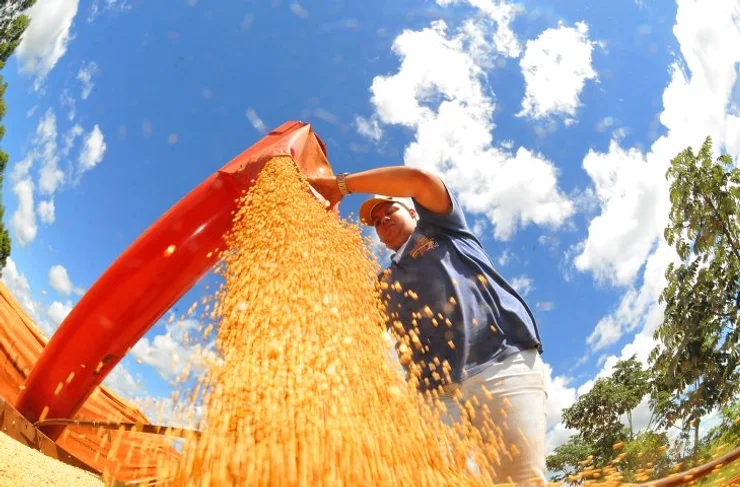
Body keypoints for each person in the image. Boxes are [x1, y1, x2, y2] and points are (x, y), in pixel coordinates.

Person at [309, 166, 548, 486]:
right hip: (433, 396)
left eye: (387, 211)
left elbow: (420, 182)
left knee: (519, 480)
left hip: (498, 362)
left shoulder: (443, 229)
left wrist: (342, 186)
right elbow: (349, 326)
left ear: (411, 210)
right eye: (376, 222)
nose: (382, 222)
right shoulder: (384, 283)